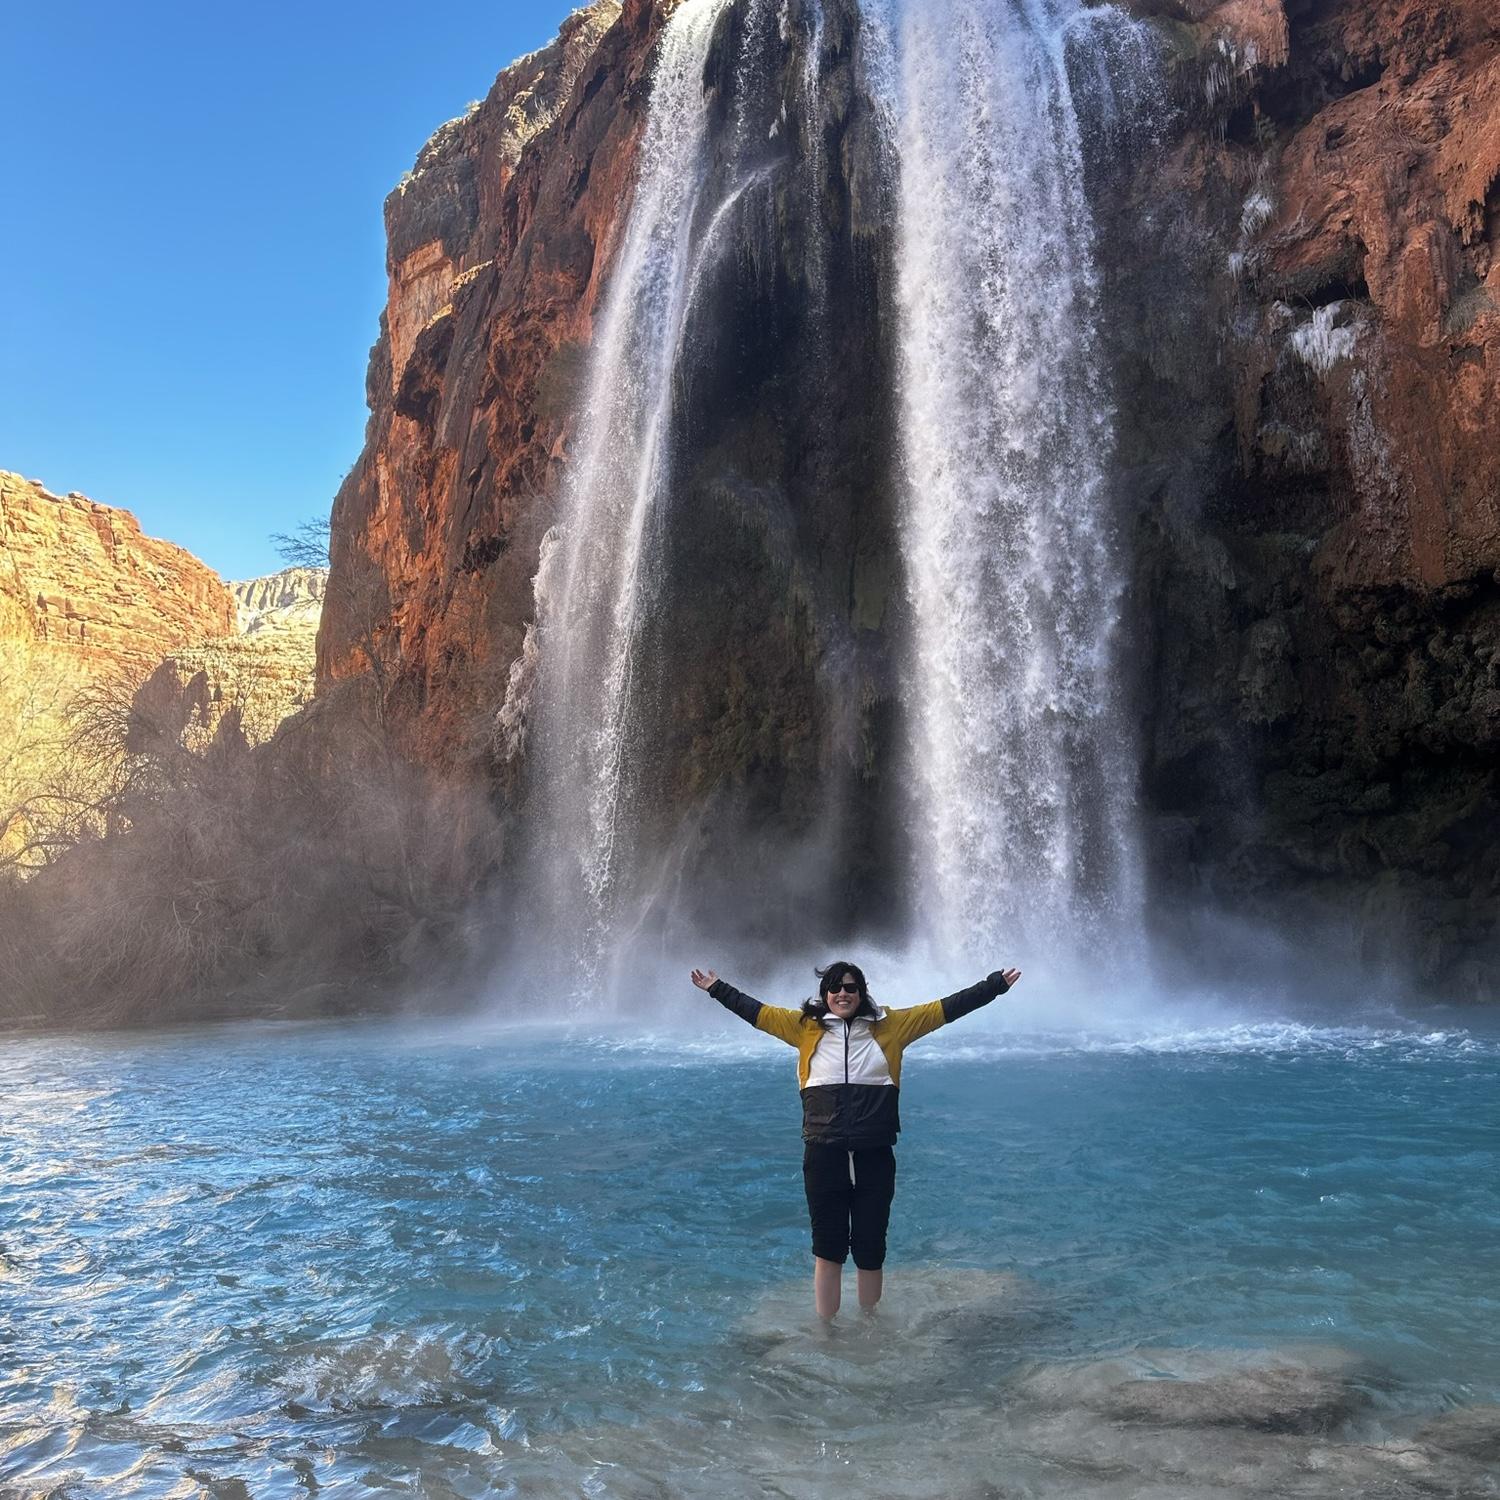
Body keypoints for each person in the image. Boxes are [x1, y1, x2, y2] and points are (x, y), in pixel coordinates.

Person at [689, 960, 1021, 1319]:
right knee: (827, 1247)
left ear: (861, 993)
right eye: (835, 988)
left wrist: (994, 986)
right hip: (823, 1151)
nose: (842, 993)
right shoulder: (804, 1028)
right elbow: (755, 1012)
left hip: (874, 1151)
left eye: (850, 987)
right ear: (825, 994)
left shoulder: (892, 1025)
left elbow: (945, 1009)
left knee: (870, 1246)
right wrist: (716, 988)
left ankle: (869, 1324)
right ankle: (826, 1330)